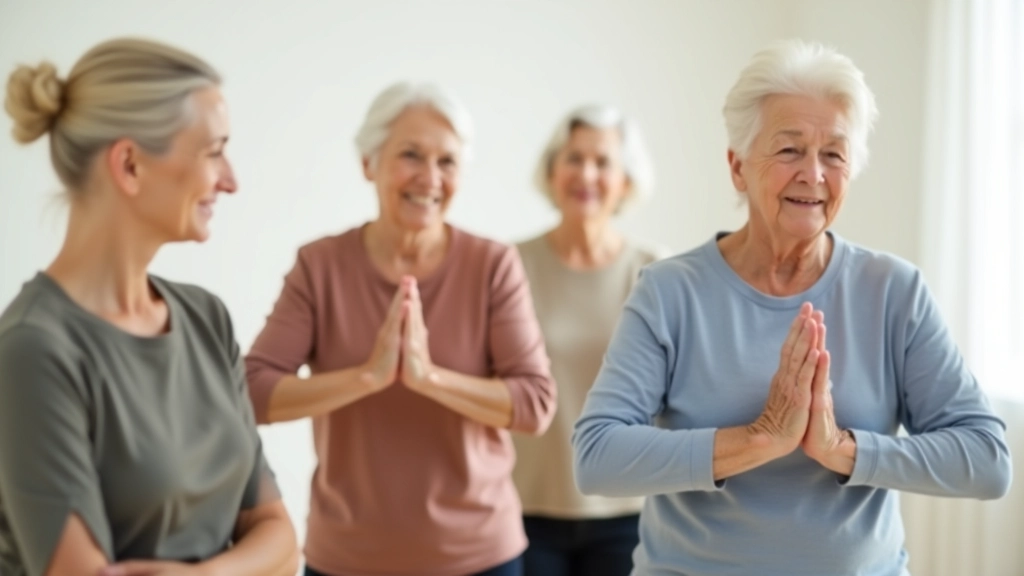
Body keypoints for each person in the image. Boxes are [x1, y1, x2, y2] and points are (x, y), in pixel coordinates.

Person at [572, 39, 1012, 576]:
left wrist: (842, 449)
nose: (814, 174)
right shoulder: (669, 291)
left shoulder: (893, 290)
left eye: (834, 154)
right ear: (738, 167)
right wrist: (760, 438)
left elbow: (987, 460)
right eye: (789, 150)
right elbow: (597, 457)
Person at [0, 38, 298, 576]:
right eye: (213, 151)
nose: (231, 180)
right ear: (130, 165)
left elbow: (281, 540)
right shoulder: (33, 351)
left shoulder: (207, 319)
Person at [245, 81, 556, 576]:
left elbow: (535, 403)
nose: (430, 178)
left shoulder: (492, 265)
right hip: (346, 559)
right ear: (368, 162)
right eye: (411, 154)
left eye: (447, 161)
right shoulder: (320, 266)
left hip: (479, 557)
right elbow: (252, 392)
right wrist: (367, 376)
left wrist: (429, 377)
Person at [512, 104, 660, 576]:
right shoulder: (510, 266)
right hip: (526, 508)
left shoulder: (654, 271)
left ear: (626, 181)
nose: (586, 174)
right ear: (552, 171)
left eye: (603, 162)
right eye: (574, 158)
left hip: (628, 512)